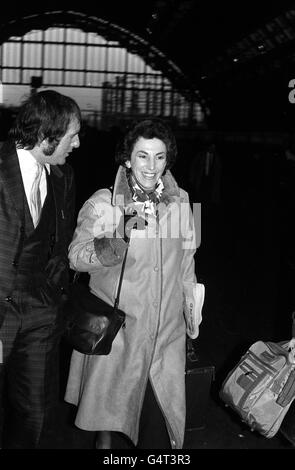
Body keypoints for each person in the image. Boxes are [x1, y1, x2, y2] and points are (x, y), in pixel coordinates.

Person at [65, 118, 202, 449]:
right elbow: (75, 257)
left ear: (168, 159)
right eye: (142, 156)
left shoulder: (183, 201)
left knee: (159, 429)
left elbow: (188, 260)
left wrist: (191, 314)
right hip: (119, 336)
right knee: (108, 427)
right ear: (127, 158)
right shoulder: (104, 203)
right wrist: (119, 236)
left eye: (159, 156)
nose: (151, 166)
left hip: (166, 336)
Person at [0, 89, 81, 448]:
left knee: (35, 414)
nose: (76, 144)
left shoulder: (62, 178)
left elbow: (58, 245)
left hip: (39, 313)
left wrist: (52, 296)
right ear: (47, 136)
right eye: (72, 135)